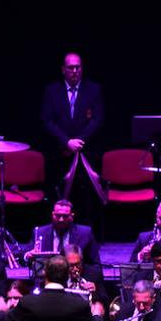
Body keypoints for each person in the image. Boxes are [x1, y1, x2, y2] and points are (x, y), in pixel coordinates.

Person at [41, 52, 107, 211]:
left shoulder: (94, 90)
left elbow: (98, 119)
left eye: (78, 67)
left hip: (86, 153)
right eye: (71, 67)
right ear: (63, 69)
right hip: (60, 153)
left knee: (86, 202)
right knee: (58, 199)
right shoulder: (52, 91)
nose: (75, 71)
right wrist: (66, 142)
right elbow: (47, 120)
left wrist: (78, 141)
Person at [28, 199, 100, 266]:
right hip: (46, 276)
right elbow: (25, 257)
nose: (61, 219)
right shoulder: (40, 232)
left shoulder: (85, 233)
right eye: (58, 215)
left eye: (65, 216)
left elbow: (95, 263)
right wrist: (28, 256)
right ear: (53, 214)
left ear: (71, 216)